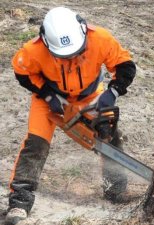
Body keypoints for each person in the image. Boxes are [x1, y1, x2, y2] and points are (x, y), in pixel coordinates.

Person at [5, 6, 136, 225]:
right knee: (36, 144)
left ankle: (115, 190)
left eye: (76, 52)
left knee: (110, 137)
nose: (71, 57)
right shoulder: (32, 51)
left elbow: (125, 66)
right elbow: (23, 73)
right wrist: (47, 96)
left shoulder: (100, 38)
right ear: (46, 42)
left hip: (91, 96)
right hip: (51, 100)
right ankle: (20, 201)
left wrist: (112, 92)